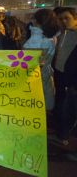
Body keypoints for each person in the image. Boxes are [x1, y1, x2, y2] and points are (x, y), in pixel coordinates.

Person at [23, 9, 59, 111]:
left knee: (35, 106)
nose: (31, 20)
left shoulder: (37, 39)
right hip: (46, 74)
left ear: (38, 21)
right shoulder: (52, 37)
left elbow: (31, 62)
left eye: (33, 18)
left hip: (35, 77)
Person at [53, 7, 77, 145]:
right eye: (61, 19)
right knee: (61, 102)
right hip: (59, 73)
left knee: (69, 107)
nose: (63, 21)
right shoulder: (63, 32)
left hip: (71, 77)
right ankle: (60, 132)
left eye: (66, 18)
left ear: (75, 17)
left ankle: (65, 134)